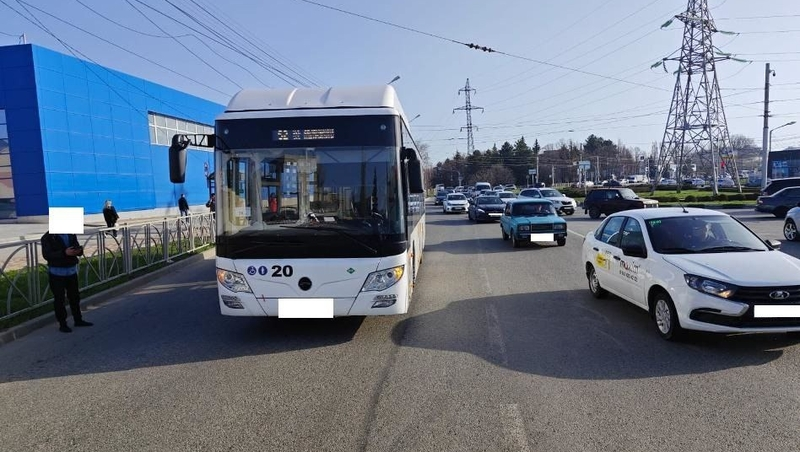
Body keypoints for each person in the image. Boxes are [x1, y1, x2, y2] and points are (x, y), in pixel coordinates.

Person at [41, 231, 93, 333]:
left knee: (74, 296)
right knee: (59, 299)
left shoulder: (70, 234)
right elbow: (47, 255)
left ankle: (78, 319)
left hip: (71, 271)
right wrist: (64, 253)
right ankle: (63, 324)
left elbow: (77, 246)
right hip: (57, 273)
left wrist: (79, 251)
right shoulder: (48, 237)